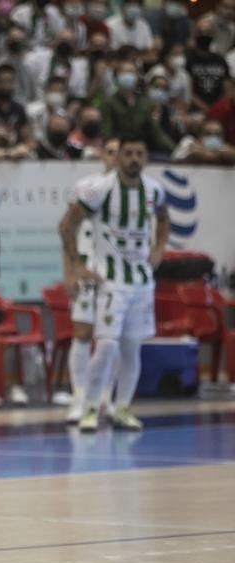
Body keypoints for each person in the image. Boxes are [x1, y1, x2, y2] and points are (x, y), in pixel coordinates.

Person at [59, 134, 168, 433]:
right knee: (105, 345)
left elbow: (163, 218)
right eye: (128, 153)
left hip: (142, 282)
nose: (134, 159)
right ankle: (90, 407)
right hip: (109, 280)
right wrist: (77, 265)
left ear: (146, 158)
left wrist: (159, 248)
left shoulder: (154, 190)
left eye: (139, 153)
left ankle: (122, 408)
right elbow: (67, 224)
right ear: (118, 157)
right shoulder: (99, 190)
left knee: (132, 348)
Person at [61, 137, 118, 423]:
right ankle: (79, 396)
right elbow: (67, 230)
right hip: (87, 271)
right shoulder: (86, 187)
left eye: (120, 152)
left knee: (111, 339)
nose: (115, 157)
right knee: (82, 334)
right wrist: (70, 271)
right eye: (110, 152)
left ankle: (106, 395)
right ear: (102, 156)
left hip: (118, 275)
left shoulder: (139, 191)